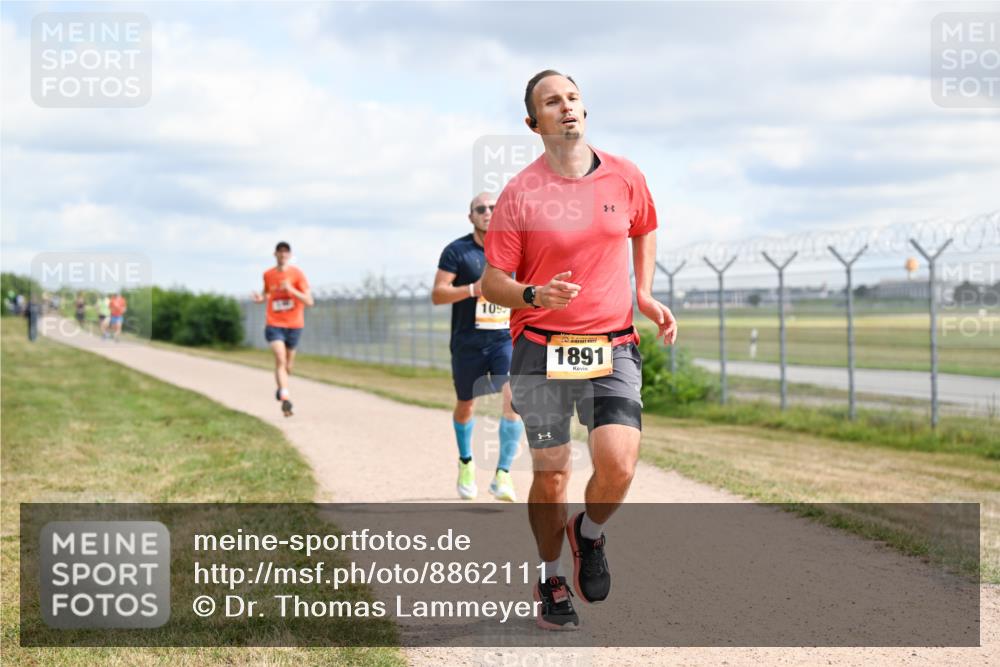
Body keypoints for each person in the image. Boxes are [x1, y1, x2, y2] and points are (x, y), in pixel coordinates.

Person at [482, 70, 678, 630]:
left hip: (612, 345)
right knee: (551, 473)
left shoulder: (625, 175)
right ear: (533, 122)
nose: (566, 107)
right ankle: (550, 578)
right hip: (541, 348)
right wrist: (532, 293)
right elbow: (493, 282)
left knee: (618, 463)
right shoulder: (521, 194)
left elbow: (645, 225)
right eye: (551, 102)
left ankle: (587, 534)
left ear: (584, 109)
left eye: (572, 97)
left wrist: (643, 292)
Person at [432, 192, 524, 502]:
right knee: (466, 405)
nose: (488, 212)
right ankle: (466, 462)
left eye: (494, 208)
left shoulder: (515, 248)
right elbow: (438, 294)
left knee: (514, 397)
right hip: (467, 342)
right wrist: (474, 289)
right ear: (471, 216)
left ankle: (503, 474)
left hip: (503, 338)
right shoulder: (457, 251)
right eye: (480, 209)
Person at [251, 241, 313, 417]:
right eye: (280, 252)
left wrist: (291, 289)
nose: (283, 255)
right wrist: (260, 298)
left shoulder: (297, 274)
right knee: (280, 359)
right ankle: (285, 398)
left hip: (294, 324)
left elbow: (309, 301)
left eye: (286, 252)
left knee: (289, 365)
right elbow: (267, 293)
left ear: (290, 255)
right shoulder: (268, 275)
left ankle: (282, 387)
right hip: (274, 323)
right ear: (275, 254)